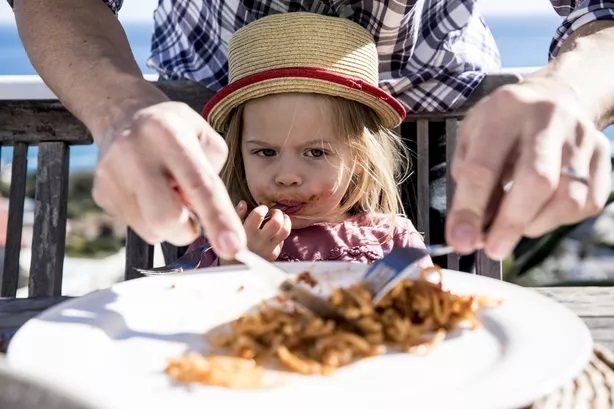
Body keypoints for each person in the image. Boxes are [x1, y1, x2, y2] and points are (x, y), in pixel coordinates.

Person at [8, 0, 613, 263]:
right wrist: (121, 107)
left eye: (314, 153)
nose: (290, 173)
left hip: (438, 134)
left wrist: (569, 93)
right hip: (206, 141)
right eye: (274, 154)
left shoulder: (390, 223)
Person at [186, 13, 431, 268]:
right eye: (266, 152)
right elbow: (184, 305)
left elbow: (429, 304)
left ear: (359, 156)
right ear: (239, 153)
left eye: (315, 152)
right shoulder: (220, 237)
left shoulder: (393, 238)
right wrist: (237, 261)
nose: (287, 176)